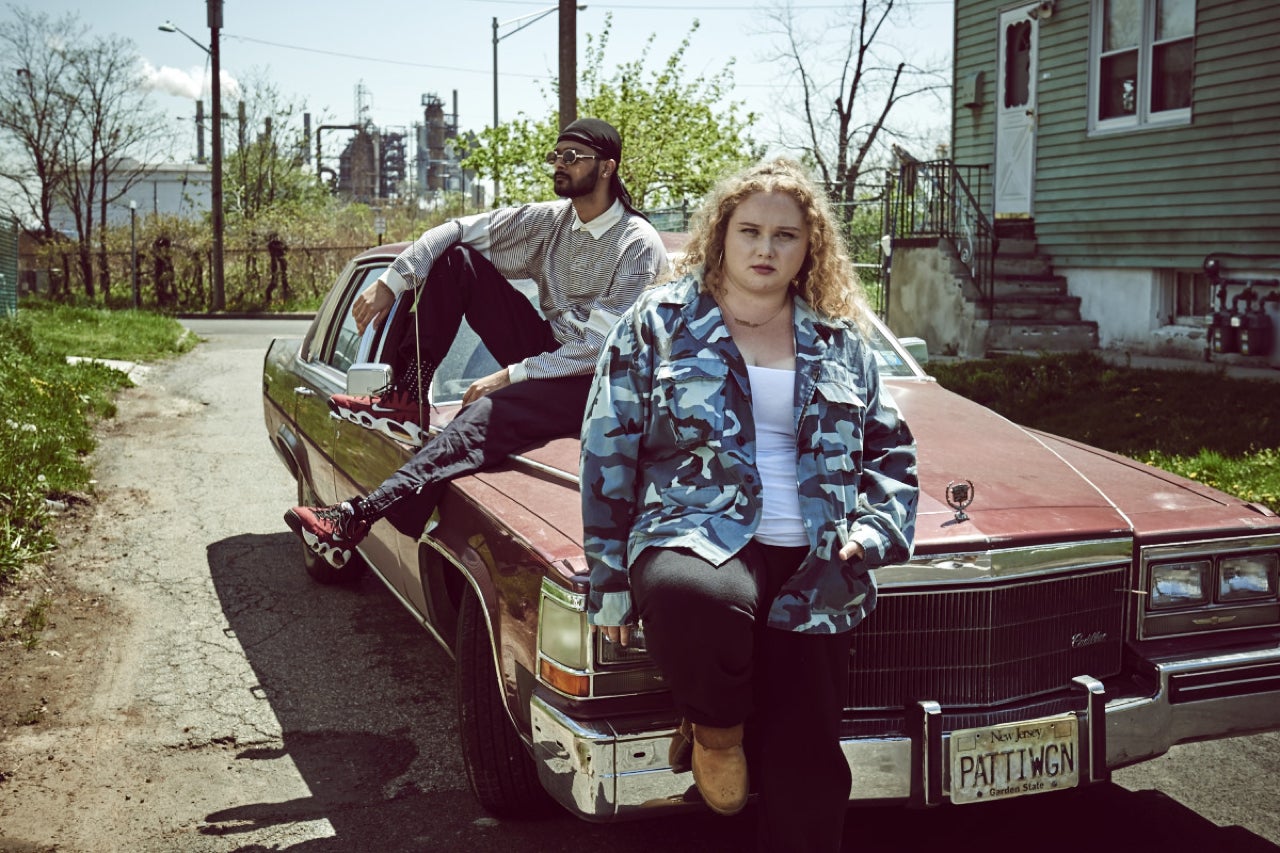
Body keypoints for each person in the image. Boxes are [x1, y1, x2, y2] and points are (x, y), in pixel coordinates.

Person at [579, 158, 918, 851]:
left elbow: (890, 450)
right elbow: (605, 448)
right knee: (694, 596)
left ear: (809, 246)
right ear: (721, 235)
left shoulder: (839, 338)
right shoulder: (660, 320)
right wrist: (609, 581)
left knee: (809, 768)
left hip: (818, 560)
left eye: (786, 236)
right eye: (751, 231)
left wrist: (876, 530)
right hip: (696, 533)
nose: (766, 249)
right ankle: (714, 729)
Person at [286, 118, 669, 569]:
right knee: (457, 259)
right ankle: (407, 395)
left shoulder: (637, 243)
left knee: (483, 412)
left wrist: (509, 375)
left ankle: (359, 516)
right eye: (556, 156)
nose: (559, 165)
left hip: (602, 381)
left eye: (572, 157)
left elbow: (597, 348)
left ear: (607, 168)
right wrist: (392, 281)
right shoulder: (552, 222)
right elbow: (456, 229)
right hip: (549, 348)